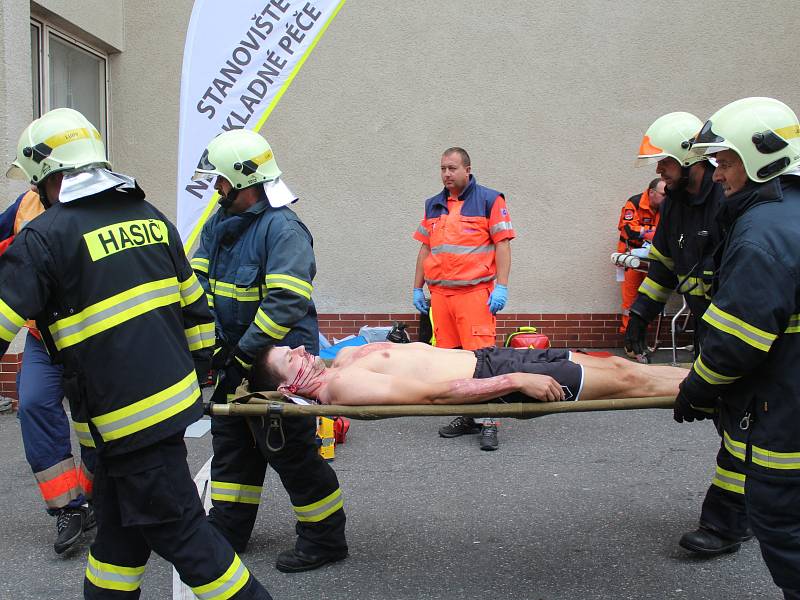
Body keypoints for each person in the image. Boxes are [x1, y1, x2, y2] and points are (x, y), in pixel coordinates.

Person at [0, 107, 271, 599]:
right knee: (118, 543)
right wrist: (191, 382)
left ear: (48, 175)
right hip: (158, 419)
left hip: (121, 430)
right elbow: (197, 314)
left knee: (189, 540)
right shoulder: (150, 218)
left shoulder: (43, 238)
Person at [191, 129, 348, 573]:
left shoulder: (284, 229)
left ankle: (325, 537)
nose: (216, 188)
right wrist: (216, 347)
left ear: (245, 181)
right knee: (232, 443)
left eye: (221, 180)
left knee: (287, 448)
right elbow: (198, 284)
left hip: (277, 362)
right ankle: (228, 529)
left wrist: (245, 353)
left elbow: (286, 301)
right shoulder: (218, 224)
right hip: (234, 356)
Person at [674, 97, 800, 600]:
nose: (718, 175)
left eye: (725, 163)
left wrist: (698, 390)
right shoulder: (785, 216)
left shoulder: (762, 234)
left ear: (761, 159)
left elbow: (737, 341)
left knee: (779, 515)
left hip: (785, 402)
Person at [625, 111, 751, 557]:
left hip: (741, 331)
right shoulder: (676, 203)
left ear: (687, 157)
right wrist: (641, 312)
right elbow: (662, 260)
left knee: (744, 424)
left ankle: (727, 524)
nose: (659, 172)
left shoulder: (728, 200)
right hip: (712, 329)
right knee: (734, 423)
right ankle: (751, 509)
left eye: (664, 162)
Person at [0, 188, 97, 554]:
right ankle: (69, 507)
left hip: (90, 337)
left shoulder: (99, 200)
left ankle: (94, 495)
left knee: (96, 418)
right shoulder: (25, 203)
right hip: (43, 337)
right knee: (34, 404)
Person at [412, 147, 514, 451]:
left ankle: (490, 421)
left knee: (483, 361)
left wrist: (502, 286)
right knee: (452, 362)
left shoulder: (489, 200)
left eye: (452, 168)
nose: (446, 174)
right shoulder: (433, 205)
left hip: (474, 295)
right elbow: (425, 249)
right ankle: (469, 416)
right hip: (441, 297)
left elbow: (503, 245)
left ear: (467, 169)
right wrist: (417, 288)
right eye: (443, 168)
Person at [248, 342, 688, 406]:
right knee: (629, 382)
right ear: (290, 386)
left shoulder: (339, 363)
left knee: (619, 366)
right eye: (292, 358)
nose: (302, 351)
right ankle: (715, 386)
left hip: (488, 356)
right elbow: (433, 396)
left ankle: (710, 374)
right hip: (494, 374)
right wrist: (514, 382)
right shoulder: (344, 385)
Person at [616, 178, 665, 334]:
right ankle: (628, 336)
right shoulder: (635, 203)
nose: (666, 198)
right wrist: (652, 233)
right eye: (663, 194)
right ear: (652, 192)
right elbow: (630, 231)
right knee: (630, 298)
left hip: (653, 257)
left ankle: (642, 336)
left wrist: (646, 232)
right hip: (631, 257)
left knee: (649, 298)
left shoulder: (665, 207)